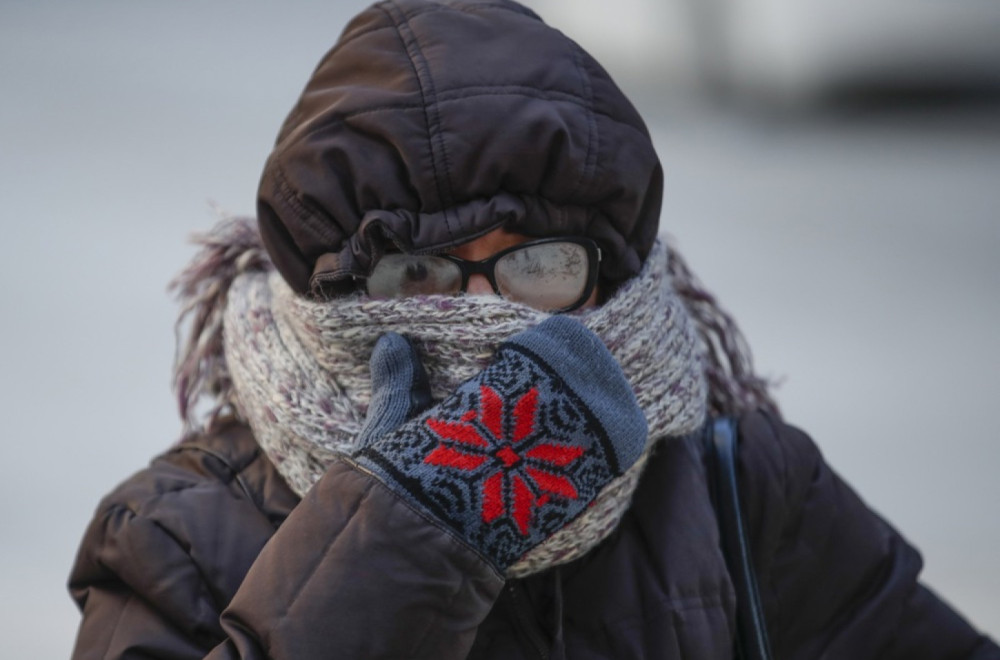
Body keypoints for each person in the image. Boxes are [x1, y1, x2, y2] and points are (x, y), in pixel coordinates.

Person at [67, 1, 998, 658]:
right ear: (331, 293)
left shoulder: (739, 497)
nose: (488, 312)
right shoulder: (180, 538)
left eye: (538, 267)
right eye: (418, 274)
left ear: (610, 276)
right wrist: (407, 532)